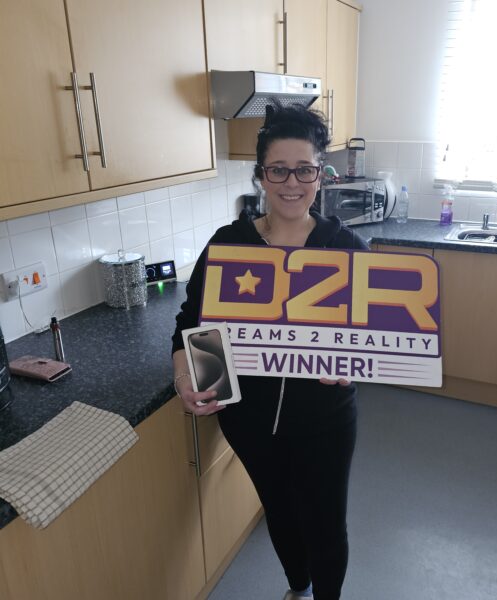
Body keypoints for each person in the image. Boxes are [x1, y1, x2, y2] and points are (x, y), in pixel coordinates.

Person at [171, 102, 369, 600]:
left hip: (325, 418)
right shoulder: (228, 244)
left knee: (326, 523)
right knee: (279, 510)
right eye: (278, 169)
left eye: (304, 169)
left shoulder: (346, 249)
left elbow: (371, 340)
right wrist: (187, 378)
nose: (291, 182)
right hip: (249, 418)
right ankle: (298, 588)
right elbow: (191, 324)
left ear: (321, 174)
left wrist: (352, 368)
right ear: (261, 175)